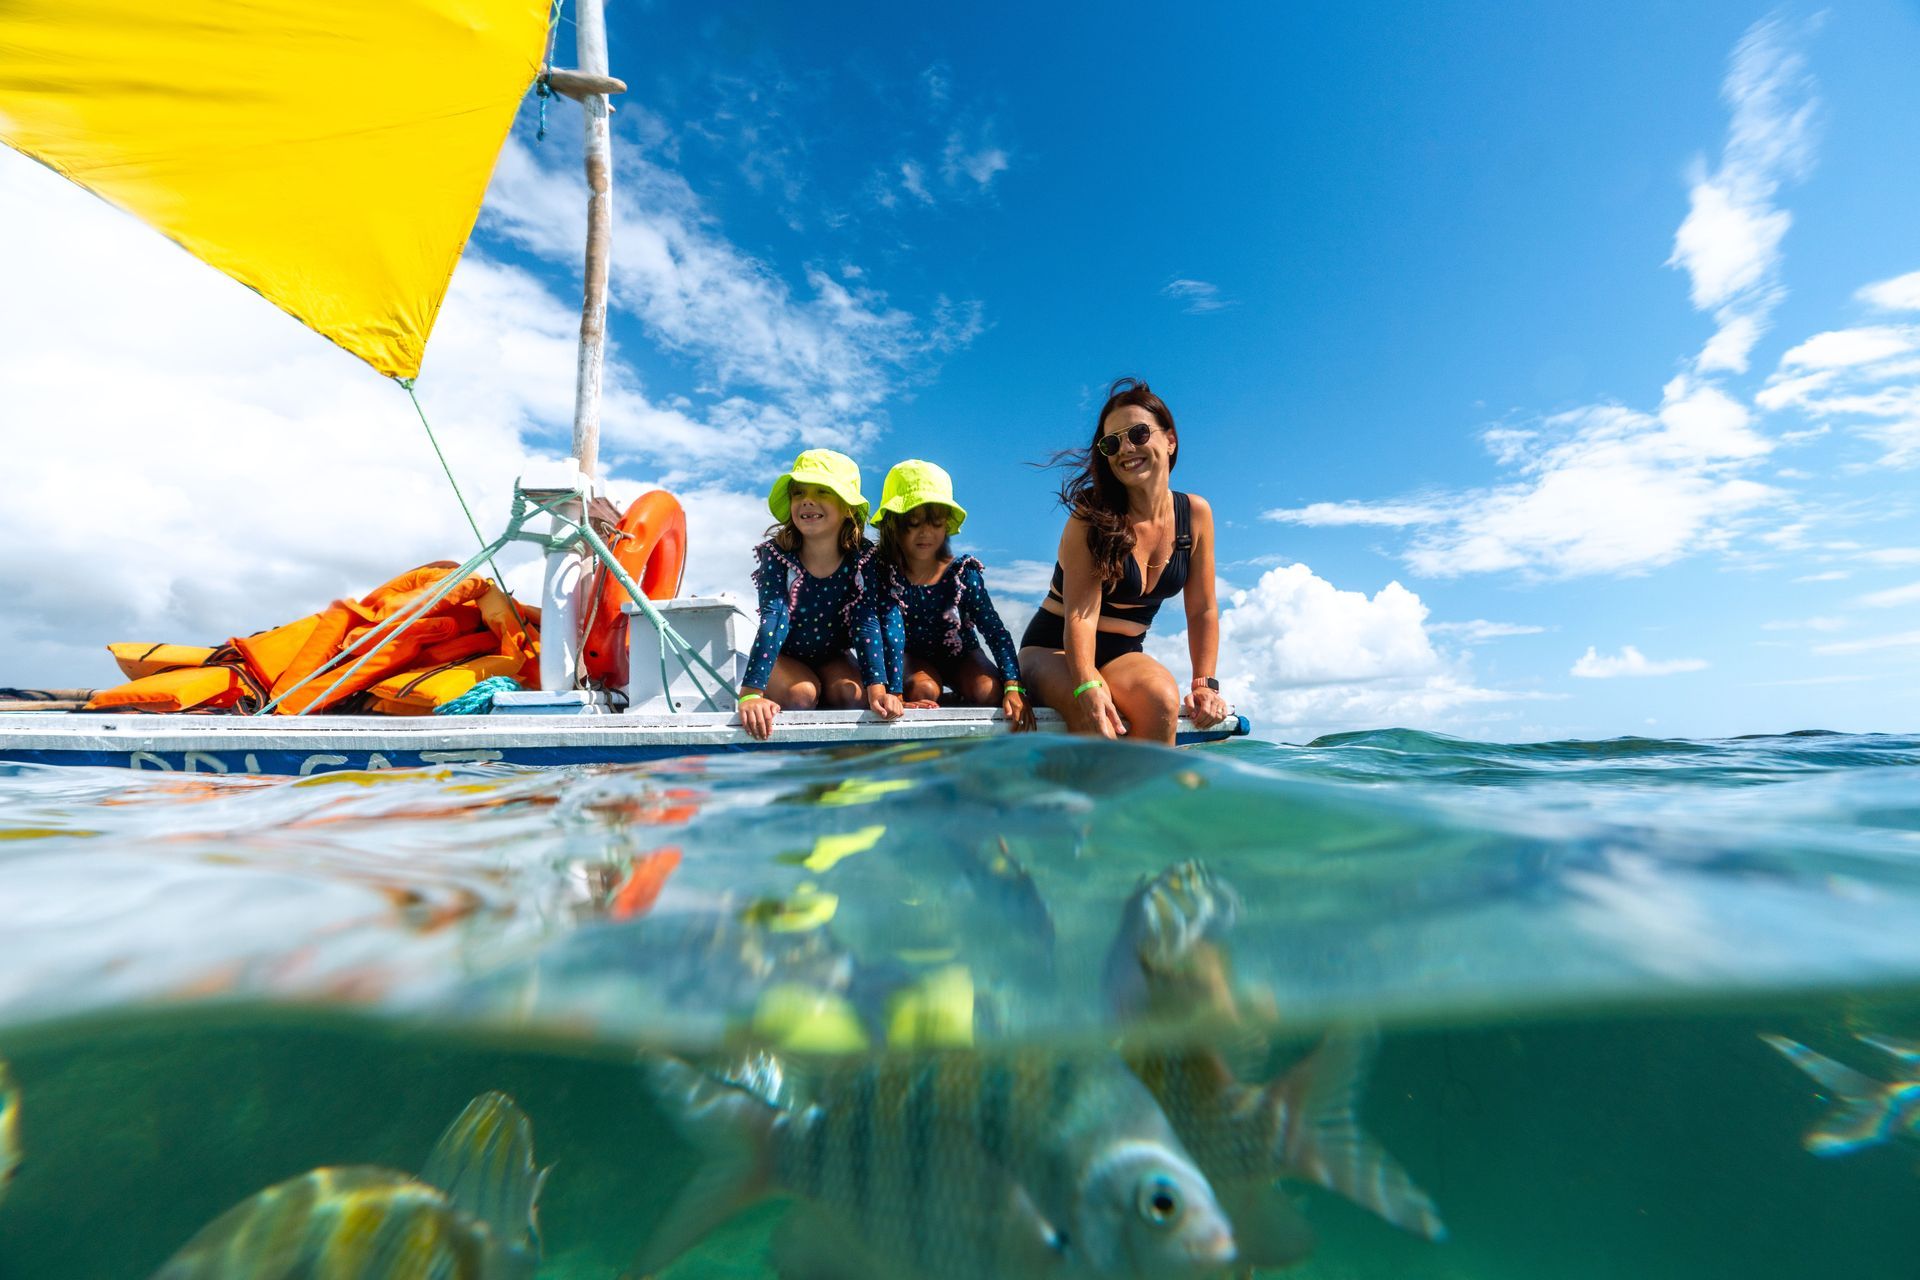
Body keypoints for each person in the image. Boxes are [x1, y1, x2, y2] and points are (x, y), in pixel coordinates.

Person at [1018, 379, 1231, 745]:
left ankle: (1143, 803)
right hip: (1053, 648)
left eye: (1138, 433)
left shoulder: (1196, 514)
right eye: (1111, 443)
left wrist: (1205, 685)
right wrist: (1086, 684)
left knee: (1162, 700)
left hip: (1122, 654)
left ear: (1170, 440)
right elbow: (1080, 617)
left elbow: (1202, 611)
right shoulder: (1090, 520)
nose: (1125, 449)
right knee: (1097, 717)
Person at [737, 450, 904, 741]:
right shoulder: (777, 555)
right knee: (802, 694)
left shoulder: (863, 559)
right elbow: (775, 617)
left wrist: (879, 689)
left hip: (832, 655)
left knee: (853, 696)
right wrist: (751, 694)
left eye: (822, 491)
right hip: (784, 655)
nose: (807, 500)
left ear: (847, 507)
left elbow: (866, 623)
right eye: (798, 492)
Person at [871, 459, 1035, 731]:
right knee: (924, 690)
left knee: (989, 692)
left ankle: (958, 701)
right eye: (912, 522)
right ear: (893, 525)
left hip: (962, 654)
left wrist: (1013, 686)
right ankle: (937, 702)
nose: (925, 532)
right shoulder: (885, 574)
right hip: (913, 657)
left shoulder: (963, 573)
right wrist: (896, 691)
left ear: (946, 524)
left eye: (935, 522)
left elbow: (995, 631)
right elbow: (890, 633)